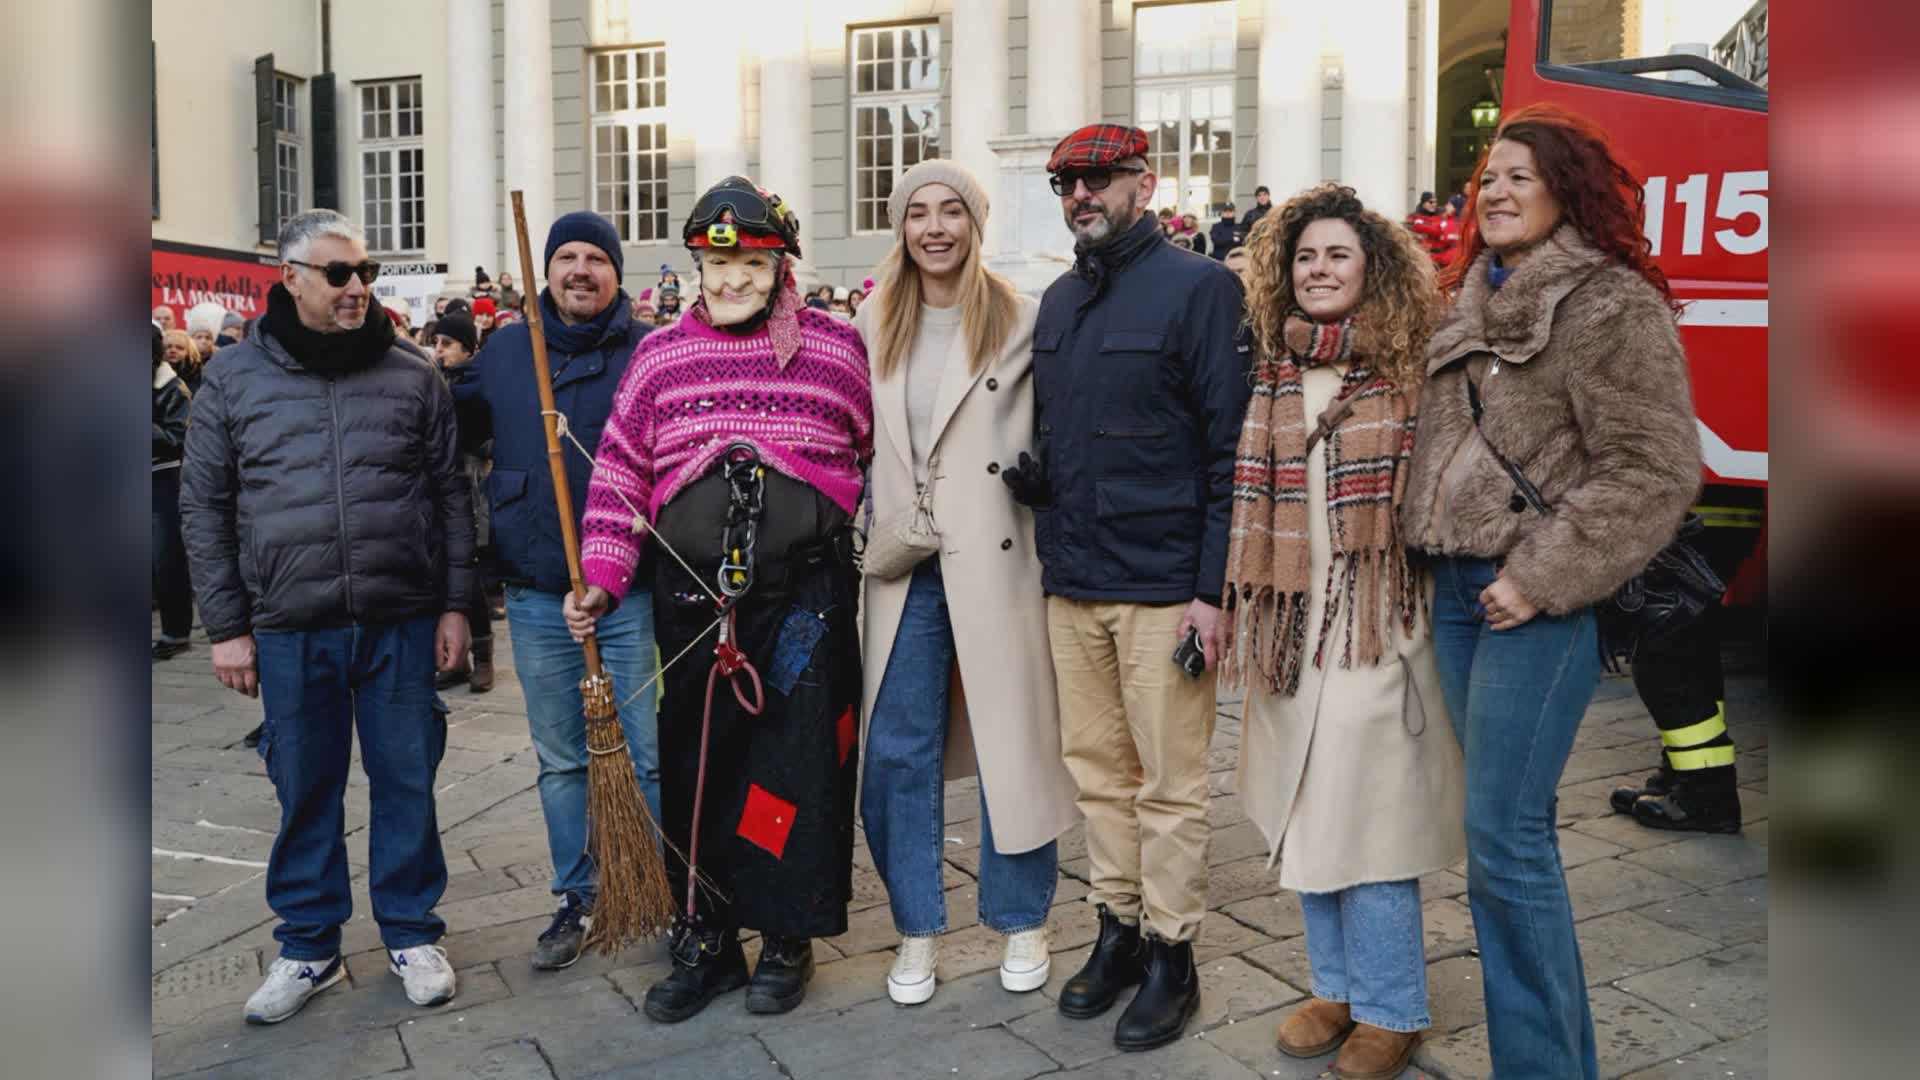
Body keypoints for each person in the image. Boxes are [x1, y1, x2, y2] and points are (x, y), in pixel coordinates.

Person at [1401, 104, 1704, 1079]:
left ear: (1568, 191)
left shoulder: (1610, 302)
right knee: (1496, 842)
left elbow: (1656, 469)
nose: (1493, 191)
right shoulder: (1467, 302)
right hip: (1453, 588)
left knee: (1507, 837)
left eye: (1519, 177)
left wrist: (1540, 575)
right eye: (1487, 177)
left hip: (1532, 597)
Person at [566, 176, 872, 1024]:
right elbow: (622, 469)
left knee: (796, 763)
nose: (732, 278)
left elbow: (878, 458)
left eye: (751, 263)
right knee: (704, 770)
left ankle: (784, 935)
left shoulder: (837, 349)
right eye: (715, 262)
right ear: (697, 264)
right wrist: (602, 573)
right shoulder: (661, 354)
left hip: (806, 598)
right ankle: (705, 939)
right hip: (694, 605)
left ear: (782, 266)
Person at [180, 208, 473, 1025]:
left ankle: (412, 931)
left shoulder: (414, 373)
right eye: (339, 274)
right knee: (305, 788)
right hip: (288, 621)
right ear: (292, 278)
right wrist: (227, 626)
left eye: (367, 273)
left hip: (400, 616)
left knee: (407, 780)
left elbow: (453, 496)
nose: (357, 289)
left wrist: (458, 608)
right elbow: (202, 505)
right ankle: (309, 945)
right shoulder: (234, 379)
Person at [1008, 124, 1250, 1052]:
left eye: (1100, 180)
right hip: (1074, 583)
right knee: (1099, 778)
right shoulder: (1062, 300)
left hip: (1164, 591)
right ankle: (1115, 932)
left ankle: (1172, 953)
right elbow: (1070, 432)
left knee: (1170, 787)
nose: (1082, 195)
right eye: (1069, 182)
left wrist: (1211, 592)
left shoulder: (1201, 288)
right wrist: (1043, 484)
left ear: (1143, 186)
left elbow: (1231, 454)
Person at [1226, 184, 1464, 1080]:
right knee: (1304, 812)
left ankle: (1394, 1006)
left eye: (1338, 256)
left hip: (1377, 624)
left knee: (1374, 823)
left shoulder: (1411, 372)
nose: (1319, 271)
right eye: (1305, 257)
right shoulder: (1272, 371)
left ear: (1375, 272)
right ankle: (1333, 987)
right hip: (1291, 624)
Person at [853, 160, 1081, 1007]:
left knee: (1012, 739)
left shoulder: (1021, 317)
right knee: (896, 747)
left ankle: (1023, 915)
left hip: (997, 555)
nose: (935, 227)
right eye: (919, 213)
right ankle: (916, 926)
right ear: (901, 226)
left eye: (953, 210)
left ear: (976, 222)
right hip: (903, 562)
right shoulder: (871, 322)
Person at [447, 210, 661, 970]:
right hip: (539, 590)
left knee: (646, 751)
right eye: (565, 256)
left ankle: (657, 885)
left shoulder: (649, 351)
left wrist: (614, 572)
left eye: (595, 258)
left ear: (616, 272)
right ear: (545, 269)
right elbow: (452, 430)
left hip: (630, 590)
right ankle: (578, 893)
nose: (579, 270)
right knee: (563, 757)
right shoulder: (507, 352)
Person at [430, 310, 495, 695]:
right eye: (437, 344)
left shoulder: (476, 384)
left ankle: (483, 657)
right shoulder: (440, 382)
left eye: (448, 345)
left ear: (468, 349)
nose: (440, 351)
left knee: (469, 575)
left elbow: (489, 437)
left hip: (469, 484)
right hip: (441, 484)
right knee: (443, 575)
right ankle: (456, 656)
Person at [152, 323, 195, 661]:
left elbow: (179, 440)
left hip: (163, 479)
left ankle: (176, 632)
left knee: (168, 560)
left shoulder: (172, 388)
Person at [1405, 191, 1456, 269]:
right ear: (1423, 202)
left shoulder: (1441, 216)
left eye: (1435, 202)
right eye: (1431, 202)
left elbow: (1444, 231)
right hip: (1422, 257)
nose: (1434, 204)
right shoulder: (1413, 217)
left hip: (1440, 258)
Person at [185, 301, 228, 367]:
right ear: (191, 340)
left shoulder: (221, 360)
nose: (204, 341)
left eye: (208, 338)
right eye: (199, 337)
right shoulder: (184, 360)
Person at [162, 329, 203, 396]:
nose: (173, 351)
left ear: (189, 351)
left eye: (179, 348)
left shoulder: (198, 374)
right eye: (168, 347)